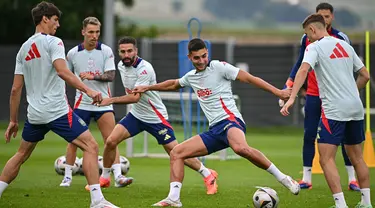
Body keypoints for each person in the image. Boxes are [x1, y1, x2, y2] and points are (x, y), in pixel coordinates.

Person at [131, 38, 300, 207]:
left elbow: (248, 78)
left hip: (230, 120)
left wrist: (278, 92)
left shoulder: (218, 67)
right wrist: (147, 87)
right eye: (197, 58)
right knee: (176, 153)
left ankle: (283, 178)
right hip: (215, 130)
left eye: (204, 56)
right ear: (190, 57)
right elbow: (173, 84)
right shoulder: (191, 77)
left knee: (240, 148)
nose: (202, 60)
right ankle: (174, 198)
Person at [0, 2, 118, 208]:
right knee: (91, 146)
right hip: (57, 111)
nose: (58, 25)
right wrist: (89, 90)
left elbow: (15, 89)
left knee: (21, 154)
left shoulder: (23, 48)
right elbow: (63, 71)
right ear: (45, 18)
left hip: (35, 114)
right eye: (55, 20)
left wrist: (12, 120)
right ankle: (97, 201)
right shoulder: (54, 42)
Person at [95, 36, 219, 195]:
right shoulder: (121, 65)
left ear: (136, 51)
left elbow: (135, 97)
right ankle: (105, 178)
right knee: (111, 141)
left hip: (155, 118)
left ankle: (208, 174)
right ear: (119, 53)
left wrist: (109, 101)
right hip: (136, 115)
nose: (126, 55)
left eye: (129, 51)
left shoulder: (145, 69)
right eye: (123, 51)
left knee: (176, 151)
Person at [281, 14, 372, 208]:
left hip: (334, 110)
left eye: (307, 34)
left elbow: (303, 70)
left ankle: (341, 205)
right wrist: (351, 92)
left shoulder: (314, 47)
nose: (307, 38)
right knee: (358, 158)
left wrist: (291, 98)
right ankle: (366, 203)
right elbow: (365, 75)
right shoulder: (345, 45)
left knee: (325, 158)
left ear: (313, 30)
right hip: (356, 107)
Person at [60, 16, 132, 189]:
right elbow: (66, 76)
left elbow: (111, 75)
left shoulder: (106, 51)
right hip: (81, 104)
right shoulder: (72, 54)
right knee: (73, 141)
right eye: (91, 32)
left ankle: (118, 176)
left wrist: (92, 76)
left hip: (103, 104)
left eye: (97, 32)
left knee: (111, 140)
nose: (94, 36)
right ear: (83, 32)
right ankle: (67, 177)